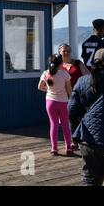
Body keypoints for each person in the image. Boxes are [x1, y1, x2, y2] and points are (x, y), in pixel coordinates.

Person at [68, 48, 104, 186]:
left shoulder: (82, 81)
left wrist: (76, 134)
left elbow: (71, 111)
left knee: (90, 180)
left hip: (89, 139)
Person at [38, 53, 73, 156]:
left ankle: (54, 148)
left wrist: (48, 90)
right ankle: (69, 147)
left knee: (53, 125)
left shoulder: (46, 73)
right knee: (65, 125)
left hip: (50, 102)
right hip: (63, 102)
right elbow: (70, 91)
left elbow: (40, 87)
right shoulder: (64, 74)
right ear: (61, 63)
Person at [58, 43, 89, 151]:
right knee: (70, 119)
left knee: (82, 117)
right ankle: (75, 141)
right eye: (64, 51)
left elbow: (88, 76)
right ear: (59, 53)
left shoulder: (78, 63)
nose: (66, 53)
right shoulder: (58, 66)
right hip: (63, 96)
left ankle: (85, 139)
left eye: (68, 51)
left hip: (78, 95)